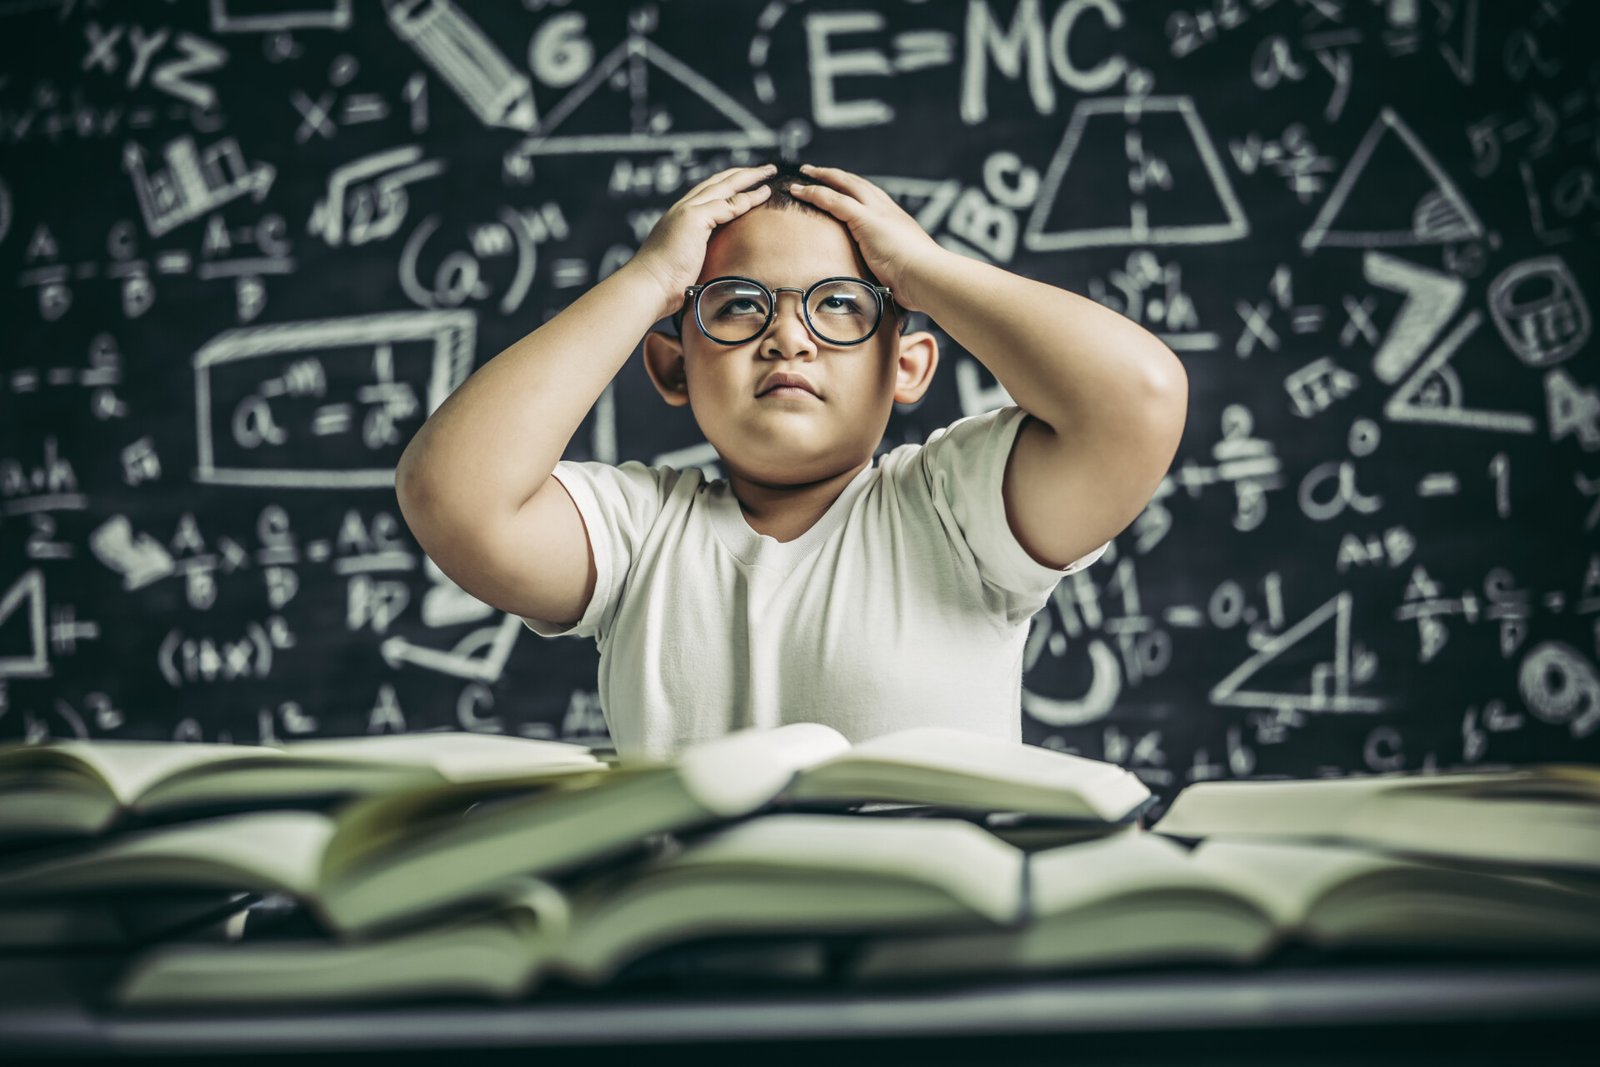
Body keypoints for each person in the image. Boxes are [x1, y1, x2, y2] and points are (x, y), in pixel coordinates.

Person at [395, 160, 1187, 761]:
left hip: (930, 955)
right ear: (673, 367)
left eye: (840, 302)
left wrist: (923, 270)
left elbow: (1137, 402)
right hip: (693, 964)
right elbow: (451, 492)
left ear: (907, 365)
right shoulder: (641, 536)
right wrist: (648, 280)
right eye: (738, 304)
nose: (789, 336)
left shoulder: (956, 512)